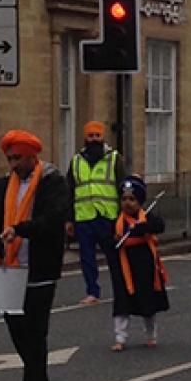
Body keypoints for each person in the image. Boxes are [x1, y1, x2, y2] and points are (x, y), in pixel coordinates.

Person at [0, 129, 69, 381]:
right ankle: (39, 374)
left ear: (33, 156)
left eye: (17, 158)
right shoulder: (3, 185)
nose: (12, 164)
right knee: (14, 325)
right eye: (9, 158)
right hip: (9, 266)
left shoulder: (52, 182)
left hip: (40, 266)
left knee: (34, 329)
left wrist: (20, 229)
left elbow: (52, 220)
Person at [66, 120, 125, 305]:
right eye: (91, 136)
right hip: (83, 216)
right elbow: (69, 191)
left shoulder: (114, 158)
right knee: (87, 258)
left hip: (108, 216)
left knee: (114, 256)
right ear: (85, 137)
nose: (94, 139)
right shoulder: (76, 161)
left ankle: (121, 289)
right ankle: (92, 291)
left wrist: (123, 217)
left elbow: (122, 188)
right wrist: (68, 220)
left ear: (103, 137)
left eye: (97, 136)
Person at [112, 175, 169, 350]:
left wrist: (142, 227)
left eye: (132, 199)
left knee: (147, 301)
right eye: (124, 199)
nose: (127, 203)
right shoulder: (117, 221)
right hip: (124, 264)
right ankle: (120, 338)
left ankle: (151, 334)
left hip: (144, 264)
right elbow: (110, 239)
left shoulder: (146, 218)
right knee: (122, 302)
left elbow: (160, 225)